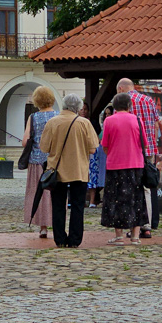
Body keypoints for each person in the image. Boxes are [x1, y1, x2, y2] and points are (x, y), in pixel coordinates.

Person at [39, 93, 99, 248]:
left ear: (64, 105)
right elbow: (93, 149)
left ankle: (59, 239)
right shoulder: (84, 123)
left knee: (58, 205)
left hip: (56, 171)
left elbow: (44, 147)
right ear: (78, 107)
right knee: (78, 206)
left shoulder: (52, 122)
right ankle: (74, 240)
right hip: (78, 169)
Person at [116, 78, 162, 237]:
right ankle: (147, 225)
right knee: (146, 187)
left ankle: (133, 225)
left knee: (130, 187)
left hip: (130, 151)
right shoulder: (148, 100)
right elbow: (157, 123)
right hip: (149, 149)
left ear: (120, 89)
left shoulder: (123, 103)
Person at [100, 92, 148, 245]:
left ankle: (119, 235)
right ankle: (135, 236)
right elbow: (144, 144)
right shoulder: (138, 121)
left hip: (115, 165)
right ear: (129, 106)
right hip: (135, 164)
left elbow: (105, 145)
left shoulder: (109, 121)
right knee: (136, 200)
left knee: (115, 199)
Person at [21, 86, 58, 238]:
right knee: (56, 194)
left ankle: (43, 227)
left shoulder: (33, 117)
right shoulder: (58, 116)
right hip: (55, 161)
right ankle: (57, 223)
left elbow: (25, 141)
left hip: (36, 161)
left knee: (38, 193)